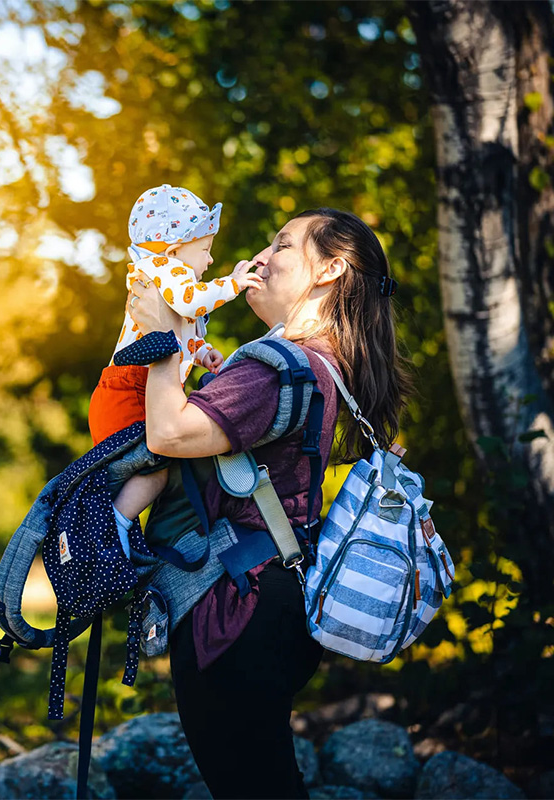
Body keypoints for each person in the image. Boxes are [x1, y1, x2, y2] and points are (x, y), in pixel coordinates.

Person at [126, 207, 412, 799]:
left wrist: (158, 338)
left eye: (282, 245)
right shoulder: (331, 367)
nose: (260, 258)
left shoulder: (277, 369)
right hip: (278, 600)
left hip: (232, 609)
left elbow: (169, 434)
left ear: (330, 269)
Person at [88, 184, 261, 557]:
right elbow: (192, 301)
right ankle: (110, 531)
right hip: (129, 388)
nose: (210, 261)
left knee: (152, 471)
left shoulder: (164, 276)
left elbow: (178, 332)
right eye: (205, 250)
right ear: (173, 249)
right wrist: (234, 283)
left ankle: (116, 528)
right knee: (154, 470)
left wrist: (201, 353)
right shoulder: (163, 269)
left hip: (132, 387)